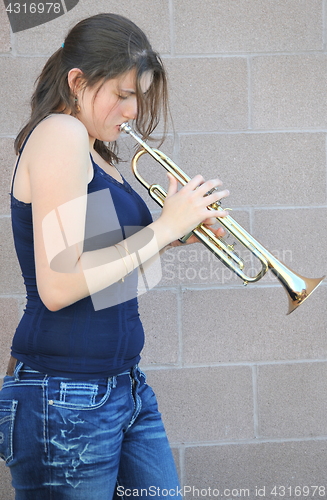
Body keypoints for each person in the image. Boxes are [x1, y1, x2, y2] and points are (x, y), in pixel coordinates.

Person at [0, 13, 229, 500]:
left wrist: (175, 235)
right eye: (122, 95)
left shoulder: (96, 151)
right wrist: (164, 226)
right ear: (78, 81)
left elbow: (108, 281)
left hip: (122, 386)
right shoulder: (60, 133)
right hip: (65, 394)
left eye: (138, 97)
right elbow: (60, 288)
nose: (131, 111)